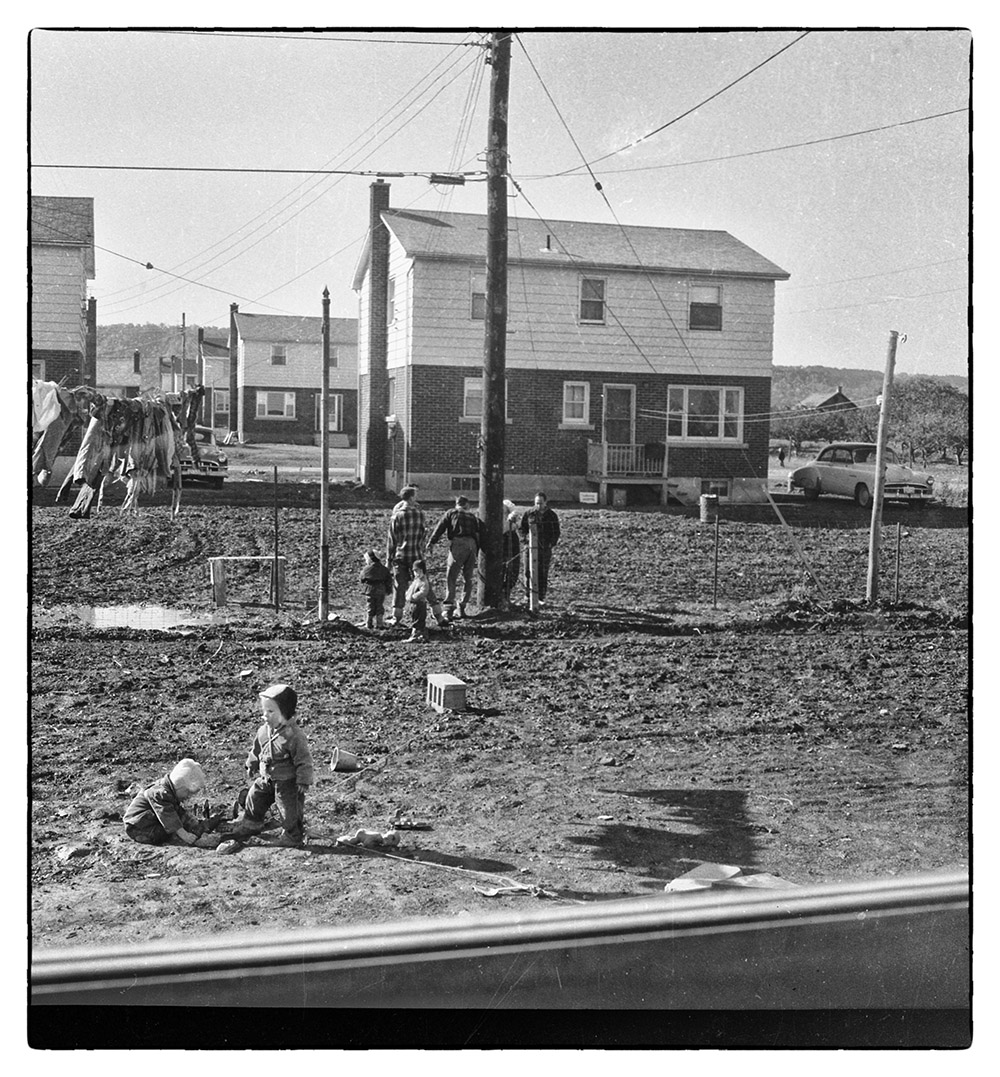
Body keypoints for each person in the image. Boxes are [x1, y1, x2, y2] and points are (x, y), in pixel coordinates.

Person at [233, 684, 315, 848]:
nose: (265, 715)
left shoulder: (294, 736)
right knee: (254, 797)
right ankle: (251, 823)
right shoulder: (264, 731)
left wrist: (303, 780)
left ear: (285, 714)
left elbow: (303, 760)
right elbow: (257, 749)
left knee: (288, 810)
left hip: (286, 781)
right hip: (266, 778)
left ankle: (293, 835)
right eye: (264, 711)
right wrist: (252, 764)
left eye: (271, 712)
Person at [123, 758, 221, 848]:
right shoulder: (161, 793)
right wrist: (184, 835)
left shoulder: (169, 790)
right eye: (188, 793)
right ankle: (162, 838)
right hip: (138, 826)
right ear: (181, 788)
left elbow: (174, 811)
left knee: (178, 814)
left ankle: (195, 827)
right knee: (166, 832)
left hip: (150, 819)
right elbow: (167, 815)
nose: (188, 796)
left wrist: (193, 822)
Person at [428, 494, 484, 618]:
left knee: (451, 576)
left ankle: (448, 609)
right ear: (467, 505)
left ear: (457, 504)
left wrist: (432, 542)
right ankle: (462, 606)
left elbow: (440, 527)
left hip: (459, 544)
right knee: (468, 578)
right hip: (472, 545)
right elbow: (478, 533)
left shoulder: (451, 513)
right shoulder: (473, 517)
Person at [386, 486, 427, 627]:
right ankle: (437, 614)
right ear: (411, 498)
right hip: (416, 554)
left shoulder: (397, 516)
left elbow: (392, 540)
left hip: (401, 555)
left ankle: (396, 617)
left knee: (399, 585)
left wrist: (389, 560)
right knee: (423, 583)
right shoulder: (420, 514)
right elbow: (423, 534)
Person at [519, 491, 561, 604]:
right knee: (528, 572)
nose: (538, 506)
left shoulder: (551, 515)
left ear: (545, 503)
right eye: (537, 503)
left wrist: (550, 544)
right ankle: (528, 596)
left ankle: (541, 597)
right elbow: (521, 529)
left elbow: (556, 532)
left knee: (542, 572)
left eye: (541, 503)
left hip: (544, 549)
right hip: (530, 548)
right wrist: (525, 541)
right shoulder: (529, 514)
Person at [403, 560, 450, 643]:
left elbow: (424, 591)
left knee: (418, 621)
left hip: (419, 604)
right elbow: (411, 589)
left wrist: (414, 597)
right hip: (414, 604)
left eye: (418, 571)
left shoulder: (424, 581)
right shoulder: (416, 581)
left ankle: (416, 636)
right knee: (415, 619)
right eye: (415, 571)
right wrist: (407, 595)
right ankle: (421, 635)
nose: (416, 573)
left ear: (423, 571)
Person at [359, 549, 391, 629]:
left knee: (370, 606)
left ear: (370, 559)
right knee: (379, 606)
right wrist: (388, 589)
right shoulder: (384, 569)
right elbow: (389, 580)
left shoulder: (366, 569)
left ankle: (368, 623)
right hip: (381, 590)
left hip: (370, 590)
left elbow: (361, 579)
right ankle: (379, 624)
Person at [501, 499, 521, 602]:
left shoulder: (506, 503)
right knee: (500, 566)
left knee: (513, 565)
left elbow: (516, 512)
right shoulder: (486, 504)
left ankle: (507, 591)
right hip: (497, 538)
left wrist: (511, 516)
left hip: (510, 536)